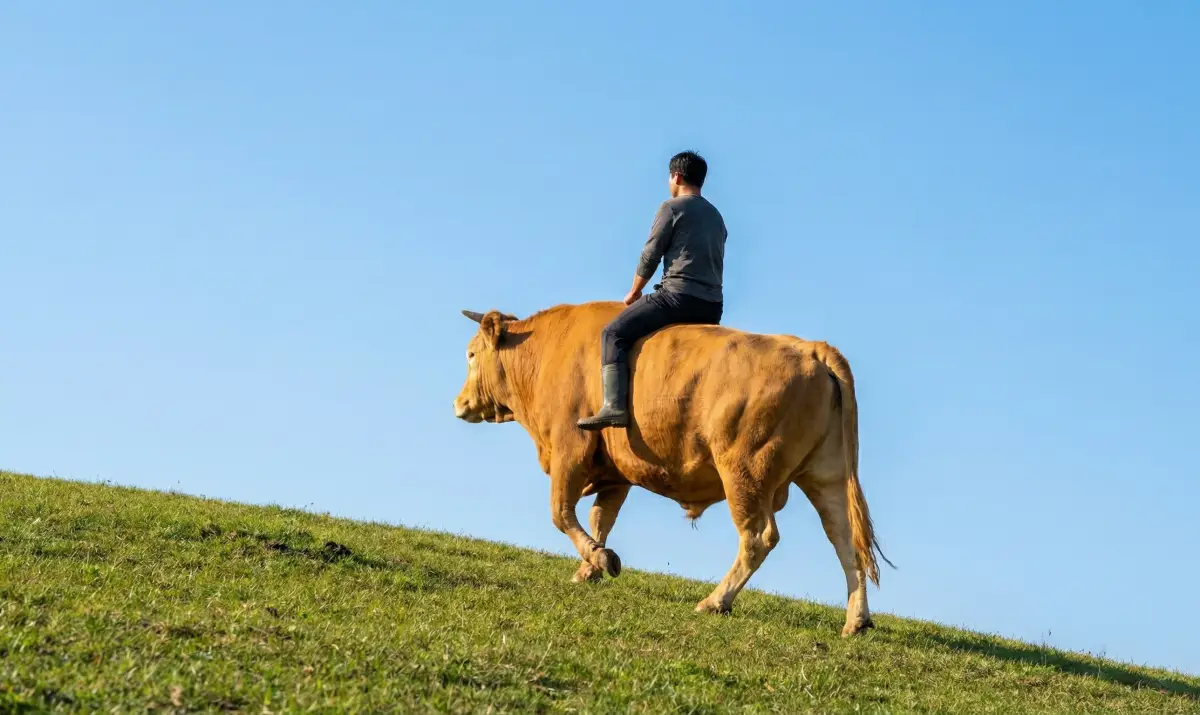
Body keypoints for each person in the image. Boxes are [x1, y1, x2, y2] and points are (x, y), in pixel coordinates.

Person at [577, 150, 727, 431]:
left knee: (613, 333)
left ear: (676, 176)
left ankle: (614, 407)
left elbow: (651, 254)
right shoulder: (717, 217)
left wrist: (634, 293)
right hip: (712, 305)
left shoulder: (671, 208)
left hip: (676, 297)